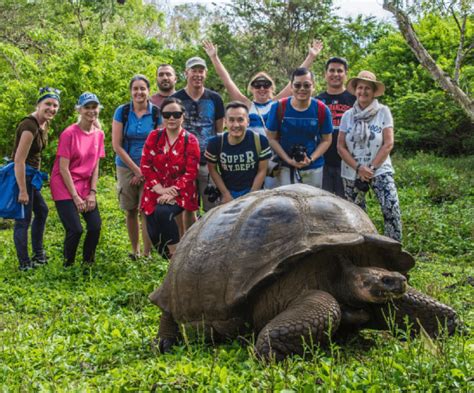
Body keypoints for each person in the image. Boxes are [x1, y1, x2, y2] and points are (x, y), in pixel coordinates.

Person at [203, 40, 323, 136]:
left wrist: (311, 56)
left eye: (266, 85)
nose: (262, 88)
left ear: (272, 88)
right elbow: (227, 81)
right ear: (252, 88)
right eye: (257, 85)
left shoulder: (277, 103)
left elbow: (296, 78)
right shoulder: (247, 105)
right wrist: (214, 57)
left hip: (275, 158)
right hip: (253, 156)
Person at [337, 71, 402, 242]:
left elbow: (388, 143)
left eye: (367, 88)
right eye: (360, 87)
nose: (363, 91)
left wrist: (370, 169)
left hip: (379, 169)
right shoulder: (347, 116)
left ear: (373, 92)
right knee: (355, 215)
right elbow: (340, 146)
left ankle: (394, 249)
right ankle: (361, 250)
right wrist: (359, 168)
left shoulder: (383, 112)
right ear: (355, 90)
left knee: (391, 208)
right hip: (352, 171)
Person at [50, 93, 105, 268]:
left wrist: (92, 193)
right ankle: (68, 265)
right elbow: (63, 168)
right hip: (64, 185)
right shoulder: (69, 134)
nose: (91, 111)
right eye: (87, 107)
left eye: (94, 107)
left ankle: (87, 263)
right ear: (79, 110)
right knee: (75, 229)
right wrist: (75, 197)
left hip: (85, 185)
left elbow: (95, 165)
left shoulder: (99, 134)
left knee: (95, 226)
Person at [140, 97, 200, 258]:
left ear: (183, 116)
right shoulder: (154, 136)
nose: (171, 118)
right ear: (162, 116)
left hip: (180, 191)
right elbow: (145, 165)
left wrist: (171, 192)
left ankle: (176, 254)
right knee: (152, 227)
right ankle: (166, 259)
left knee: (163, 213)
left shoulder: (190, 140)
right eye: (167, 115)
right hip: (155, 189)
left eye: (176, 114)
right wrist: (159, 189)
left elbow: (191, 173)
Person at [112, 75, 161, 260]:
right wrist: (136, 170)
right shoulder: (122, 111)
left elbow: (160, 144)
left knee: (146, 210)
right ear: (131, 91)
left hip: (151, 167)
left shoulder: (156, 113)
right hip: (125, 166)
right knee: (131, 209)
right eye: (135, 89)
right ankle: (135, 250)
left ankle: (148, 253)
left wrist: (145, 171)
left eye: (143, 88)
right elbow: (116, 145)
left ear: (148, 91)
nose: (139, 92)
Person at [11, 87, 60, 271]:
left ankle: (38, 254)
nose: (52, 108)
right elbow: (19, 160)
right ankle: (24, 263)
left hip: (32, 178)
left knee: (42, 211)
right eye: (48, 104)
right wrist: (23, 190)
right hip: (22, 177)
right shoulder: (29, 126)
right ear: (38, 104)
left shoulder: (44, 124)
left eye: (55, 105)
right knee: (23, 219)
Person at [172, 56, 225, 214]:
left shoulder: (215, 99)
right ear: (186, 73)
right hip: (183, 163)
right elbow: (170, 131)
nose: (197, 74)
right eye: (193, 71)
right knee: (186, 208)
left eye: (201, 71)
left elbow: (219, 132)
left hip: (208, 163)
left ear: (206, 74)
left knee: (213, 207)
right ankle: (188, 238)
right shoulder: (175, 99)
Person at [266, 67, 333, 188]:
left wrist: (311, 159)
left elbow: (327, 139)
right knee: (286, 204)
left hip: (313, 167)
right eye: (297, 85)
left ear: (313, 87)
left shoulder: (322, 109)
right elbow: (271, 138)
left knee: (313, 204)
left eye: (306, 85)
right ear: (291, 87)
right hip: (284, 166)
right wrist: (288, 159)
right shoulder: (278, 107)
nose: (302, 89)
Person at [205, 101, 272, 203]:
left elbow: (262, 170)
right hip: (227, 191)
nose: (236, 125)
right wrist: (226, 194)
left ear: (248, 121)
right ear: (225, 122)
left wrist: (252, 195)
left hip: (254, 191)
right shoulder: (215, 143)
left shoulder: (259, 141)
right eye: (231, 120)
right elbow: (212, 169)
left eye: (240, 120)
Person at [316, 57, 356, 197]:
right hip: (322, 162)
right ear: (325, 74)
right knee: (323, 204)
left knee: (348, 203)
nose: (335, 74)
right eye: (331, 70)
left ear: (346, 74)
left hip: (347, 161)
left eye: (340, 71)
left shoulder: (354, 99)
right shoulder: (317, 101)